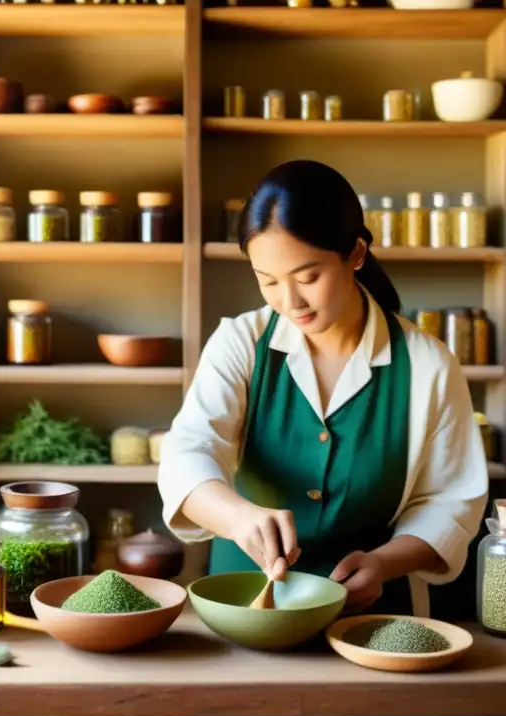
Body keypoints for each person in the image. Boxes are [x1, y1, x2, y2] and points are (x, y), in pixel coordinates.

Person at [157, 160, 488, 616]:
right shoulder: (241, 343)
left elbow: (451, 501)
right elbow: (187, 453)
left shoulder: (428, 364)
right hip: (246, 606)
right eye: (268, 281)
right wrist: (238, 518)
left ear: (354, 253)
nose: (290, 302)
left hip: (372, 614)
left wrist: (383, 563)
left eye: (308, 277)